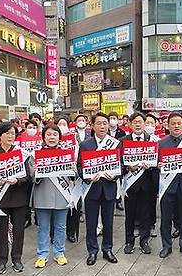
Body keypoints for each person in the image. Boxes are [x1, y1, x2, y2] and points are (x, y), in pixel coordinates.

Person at [0, 122, 32, 274]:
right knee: (0, 231)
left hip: (18, 198)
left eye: (13, 133)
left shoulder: (21, 153)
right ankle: (1, 260)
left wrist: (17, 181)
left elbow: (28, 177)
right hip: (0, 199)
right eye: (7, 133)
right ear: (0, 135)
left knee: (19, 230)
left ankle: (17, 259)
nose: (10, 136)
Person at [78, 112, 119, 265]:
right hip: (91, 189)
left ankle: (107, 249)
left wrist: (114, 176)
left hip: (108, 188)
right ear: (93, 126)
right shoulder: (85, 145)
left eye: (105, 123)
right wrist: (87, 177)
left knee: (108, 222)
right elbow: (80, 167)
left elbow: (120, 165)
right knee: (91, 222)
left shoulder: (115, 143)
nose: (102, 126)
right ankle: (92, 251)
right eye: (99, 123)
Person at [158, 112, 182, 259]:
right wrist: (159, 165)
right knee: (166, 218)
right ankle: (166, 246)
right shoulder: (161, 143)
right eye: (173, 123)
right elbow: (155, 163)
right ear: (168, 126)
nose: (176, 126)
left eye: (178, 123)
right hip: (168, 187)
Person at [32, 124, 70, 268]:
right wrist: (35, 171)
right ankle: (42, 254)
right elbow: (31, 178)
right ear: (43, 137)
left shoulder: (66, 154)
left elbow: (74, 176)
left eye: (55, 134)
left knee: (61, 226)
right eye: (48, 134)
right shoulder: (36, 154)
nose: (52, 137)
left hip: (62, 195)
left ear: (59, 137)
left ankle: (59, 253)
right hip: (43, 195)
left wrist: (72, 169)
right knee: (43, 227)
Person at [120, 112, 156, 255]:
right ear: (130, 124)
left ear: (145, 124)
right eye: (134, 122)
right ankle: (129, 241)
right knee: (130, 214)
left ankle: (144, 241)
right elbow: (118, 163)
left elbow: (158, 161)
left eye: (140, 122)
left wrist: (151, 165)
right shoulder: (123, 141)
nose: (138, 124)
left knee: (146, 214)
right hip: (130, 184)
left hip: (147, 183)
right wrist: (127, 167)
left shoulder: (152, 140)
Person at [66, 114, 90, 244]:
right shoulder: (67, 139)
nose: (81, 122)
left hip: (79, 174)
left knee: (76, 204)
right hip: (64, 176)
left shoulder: (89, 136)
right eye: (79, 120)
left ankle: (72, 232)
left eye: (83, 120)